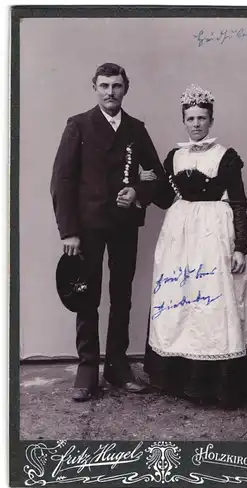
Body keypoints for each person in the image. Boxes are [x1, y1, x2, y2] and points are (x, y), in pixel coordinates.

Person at [142, 84, 247, 409]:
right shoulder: (174, 156)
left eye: (201, 118)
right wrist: (146, 183)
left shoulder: (226, 157)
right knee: (182, 299)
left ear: (210, 119)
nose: (195, 124)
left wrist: (238, 247)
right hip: (180, 236)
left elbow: (238, 202)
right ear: (184, 120)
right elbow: (165, 199)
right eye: (190, 118)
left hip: (214, 234)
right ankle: (182, 380)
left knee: (215, 300)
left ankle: (221, 384)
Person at [50, 62, 164, 402]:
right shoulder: (79, 126)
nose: (110, 91)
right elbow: (62, 180)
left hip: (124, 227)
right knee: (87, 295)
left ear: (125, 88)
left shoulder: (136, 128)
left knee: (122, 295)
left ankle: (116, 365)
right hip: (86, 229)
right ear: (95, 88)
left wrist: (138, 194)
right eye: (104, 85)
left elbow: (156, 175)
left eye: (116, 85)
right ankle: (87, 370)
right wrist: (68, 231)